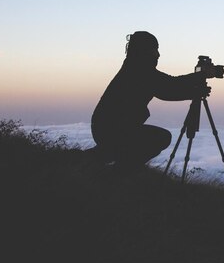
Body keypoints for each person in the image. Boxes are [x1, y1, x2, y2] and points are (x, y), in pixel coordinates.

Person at [90, 31, 213, 170]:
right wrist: (195, 85)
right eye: (155, 50)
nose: (158, 55)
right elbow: (168, 87)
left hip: (105, 128)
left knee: (124, 144)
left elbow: (167, 85)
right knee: (161, 138)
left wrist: (193, 86)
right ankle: (122, 170)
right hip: (112, 130)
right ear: (144, 51)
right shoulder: (139, 71)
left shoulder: (133, 67)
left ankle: (94, 158)